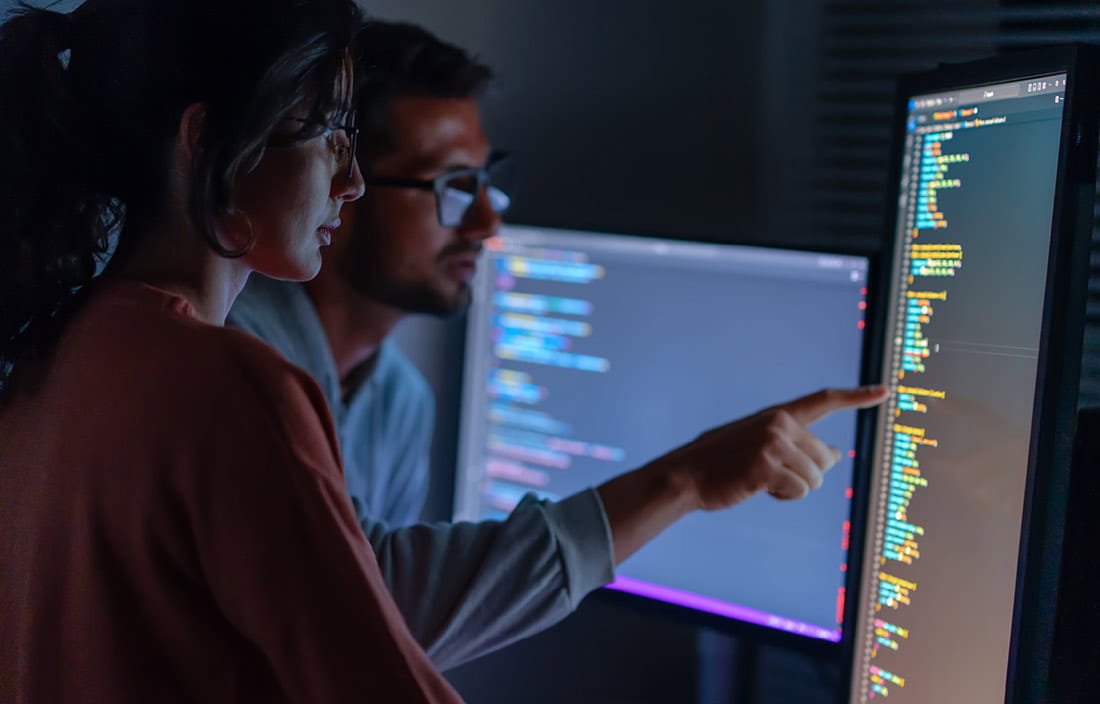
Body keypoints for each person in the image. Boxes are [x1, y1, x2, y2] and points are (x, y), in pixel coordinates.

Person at [228, 19, 889, 672]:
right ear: (342, 184)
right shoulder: (236, 360)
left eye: (489, 182)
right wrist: (685, 478)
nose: (489, 222)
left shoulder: (399, 403)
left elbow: (392, 657)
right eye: (453, 187)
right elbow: (365, 613)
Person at [0, 1, 466, 701]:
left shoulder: (50, 354)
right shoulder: (232, 387)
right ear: (208, 136)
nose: (354, 181)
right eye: (331, 132)